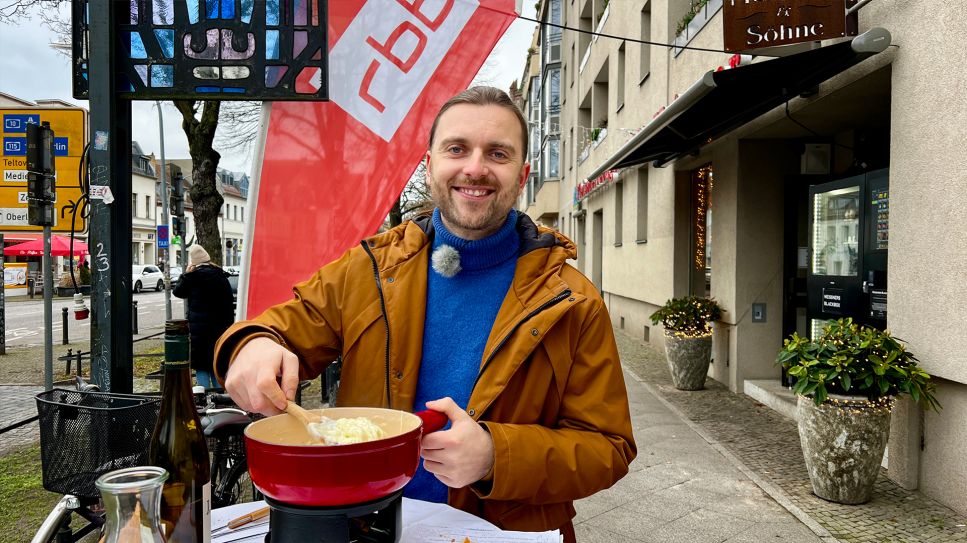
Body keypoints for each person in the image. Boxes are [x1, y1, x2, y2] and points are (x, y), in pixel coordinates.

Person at [213, 86, 636, 540]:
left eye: (497, 153)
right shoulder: (368, 269)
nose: (475, 167)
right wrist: (251, 344)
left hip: (501, 530)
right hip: (366, 526)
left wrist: (497, 455)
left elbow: (608, 447)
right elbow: (281, 329)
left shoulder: (572, 301)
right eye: (457, 148)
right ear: (430, 164)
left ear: (523, 173)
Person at [174, 244, 235, 391]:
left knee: (201, 365)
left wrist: (185, 274)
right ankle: (220, 397)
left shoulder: (193, 277)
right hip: (218, 329)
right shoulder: (220, 276)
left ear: (193, 262)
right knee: (215, 363)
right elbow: (228, 303)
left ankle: (203, 397)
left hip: (198, 330)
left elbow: (178, 292)